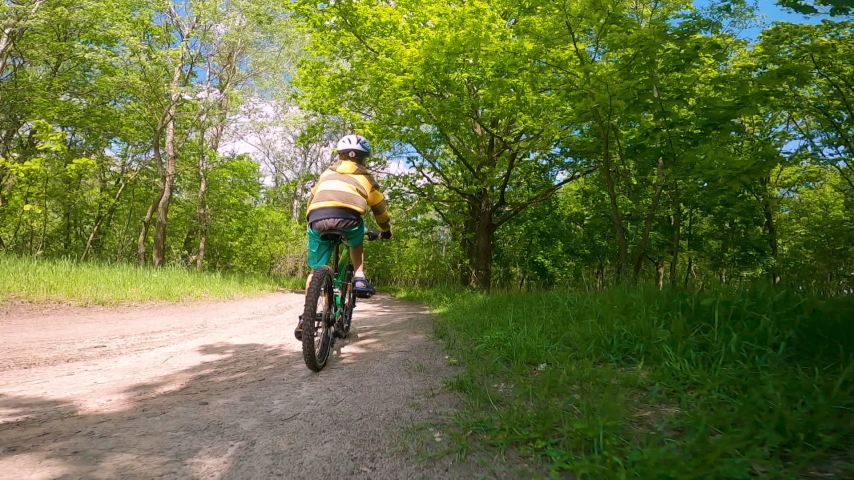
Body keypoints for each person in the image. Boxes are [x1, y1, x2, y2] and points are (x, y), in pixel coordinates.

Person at [295, 134, 392, 340]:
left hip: (317, 219)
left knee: (314, 271)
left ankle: (306, 318)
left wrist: (312, 220)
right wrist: (385, 231)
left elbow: (312, 200)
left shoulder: (326, 174)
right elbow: (380, 209)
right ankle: (359, 277)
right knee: (357, 231)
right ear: (364, 158)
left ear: (339, 155)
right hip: (349, 220)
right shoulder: (366, 177)